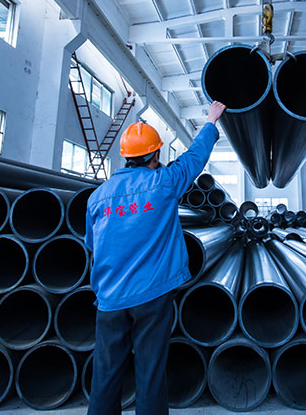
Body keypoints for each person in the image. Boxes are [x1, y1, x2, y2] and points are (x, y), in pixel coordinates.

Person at [85, 101, 226, 415]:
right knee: (149, 374)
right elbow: (195, 158)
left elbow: (93, 244)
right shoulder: (163, 183)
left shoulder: (98, 197)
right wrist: (211, 121)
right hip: (152, 296)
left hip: (109, 299)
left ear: (125, 155)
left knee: (105, 375)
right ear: (155, 155)